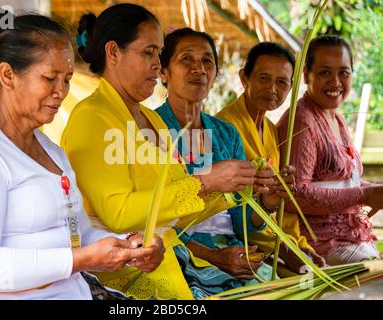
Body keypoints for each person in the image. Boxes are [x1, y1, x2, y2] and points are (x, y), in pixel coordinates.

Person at [0, 9, 164, 300]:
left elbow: (78, 233)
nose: (61, 91)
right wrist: (82, 259)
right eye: (50, 78)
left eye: (67, 79)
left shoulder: (50, 151)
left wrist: (129, 245)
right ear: (7, 75)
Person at [61, 4, 274, 300]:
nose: (155, 63)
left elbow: (177, 212)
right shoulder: (92, 117)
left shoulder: (154, 120)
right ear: (113, 53)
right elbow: (119, 215)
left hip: (176, 258)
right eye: (148, 52)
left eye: (158, 54)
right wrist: (207, 182)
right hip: (131, 270)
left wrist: (235, 186)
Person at [156, 28, 278, 284]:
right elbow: (154, 217)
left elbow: (240, 219)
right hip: (180, 258)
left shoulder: (226, 134)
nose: (198, 68)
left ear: (214, 75)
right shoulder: (151, 130)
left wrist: (268, 201)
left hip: (231, 256)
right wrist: (213, 256)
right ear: (163, 72)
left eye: (207, 61)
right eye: (186, 59)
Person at [217, 42, 326, 272]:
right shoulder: (225, 128)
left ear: (291, 87)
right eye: (264, 78)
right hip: (238, 241)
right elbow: (230, 211)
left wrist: (299, 244)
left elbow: (277, 203)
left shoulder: (268, 128)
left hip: (272, 238)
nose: (273, 89)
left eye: (282, 82)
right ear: (244, 78)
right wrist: (285, 248)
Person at [277, 35, 383, 265]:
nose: (335, 82)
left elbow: (344, 181)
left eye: (343, 72)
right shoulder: (302, 121)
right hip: (318, 246)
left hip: (351, 237)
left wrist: (373, 190)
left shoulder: (336, 117)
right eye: (325, 72)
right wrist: (363, 195)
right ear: (306, 75)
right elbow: (296, 194)